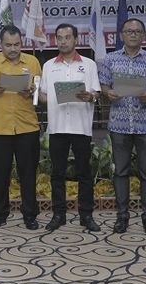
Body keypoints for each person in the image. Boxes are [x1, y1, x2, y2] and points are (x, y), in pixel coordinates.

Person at [0, 25, 42, 230]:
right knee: (0, 175)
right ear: (0, 44)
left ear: (21, 43)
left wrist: (31, 92)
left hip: (27, 127)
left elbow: (39, 94)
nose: (13, 49)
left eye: (16, 44)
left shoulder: (32, 62)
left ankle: (30, 215)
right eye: (8, 45)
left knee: (28, 175)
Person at [99, 18, 146, 236]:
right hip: (120, 124)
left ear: (144, 35)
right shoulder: (110, 59)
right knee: (121, 172)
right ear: (121, 35)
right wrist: (108, 92)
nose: (133, 34)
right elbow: (103, 85)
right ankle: (122, 217)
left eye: (137, 31)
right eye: (129, 31)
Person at [39, 23, 101, 232]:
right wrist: (43, 96)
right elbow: (43, 96)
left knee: (84, 173)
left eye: (67, 37)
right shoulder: (48, 66)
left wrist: (90, 96)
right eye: (59, 37)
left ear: (76, 39)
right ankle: (59, 215)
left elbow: (96, 93)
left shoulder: (89, 64)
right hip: (57, 127)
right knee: (57, 173)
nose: (63, 41)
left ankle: (86, 216)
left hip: (81, 127)